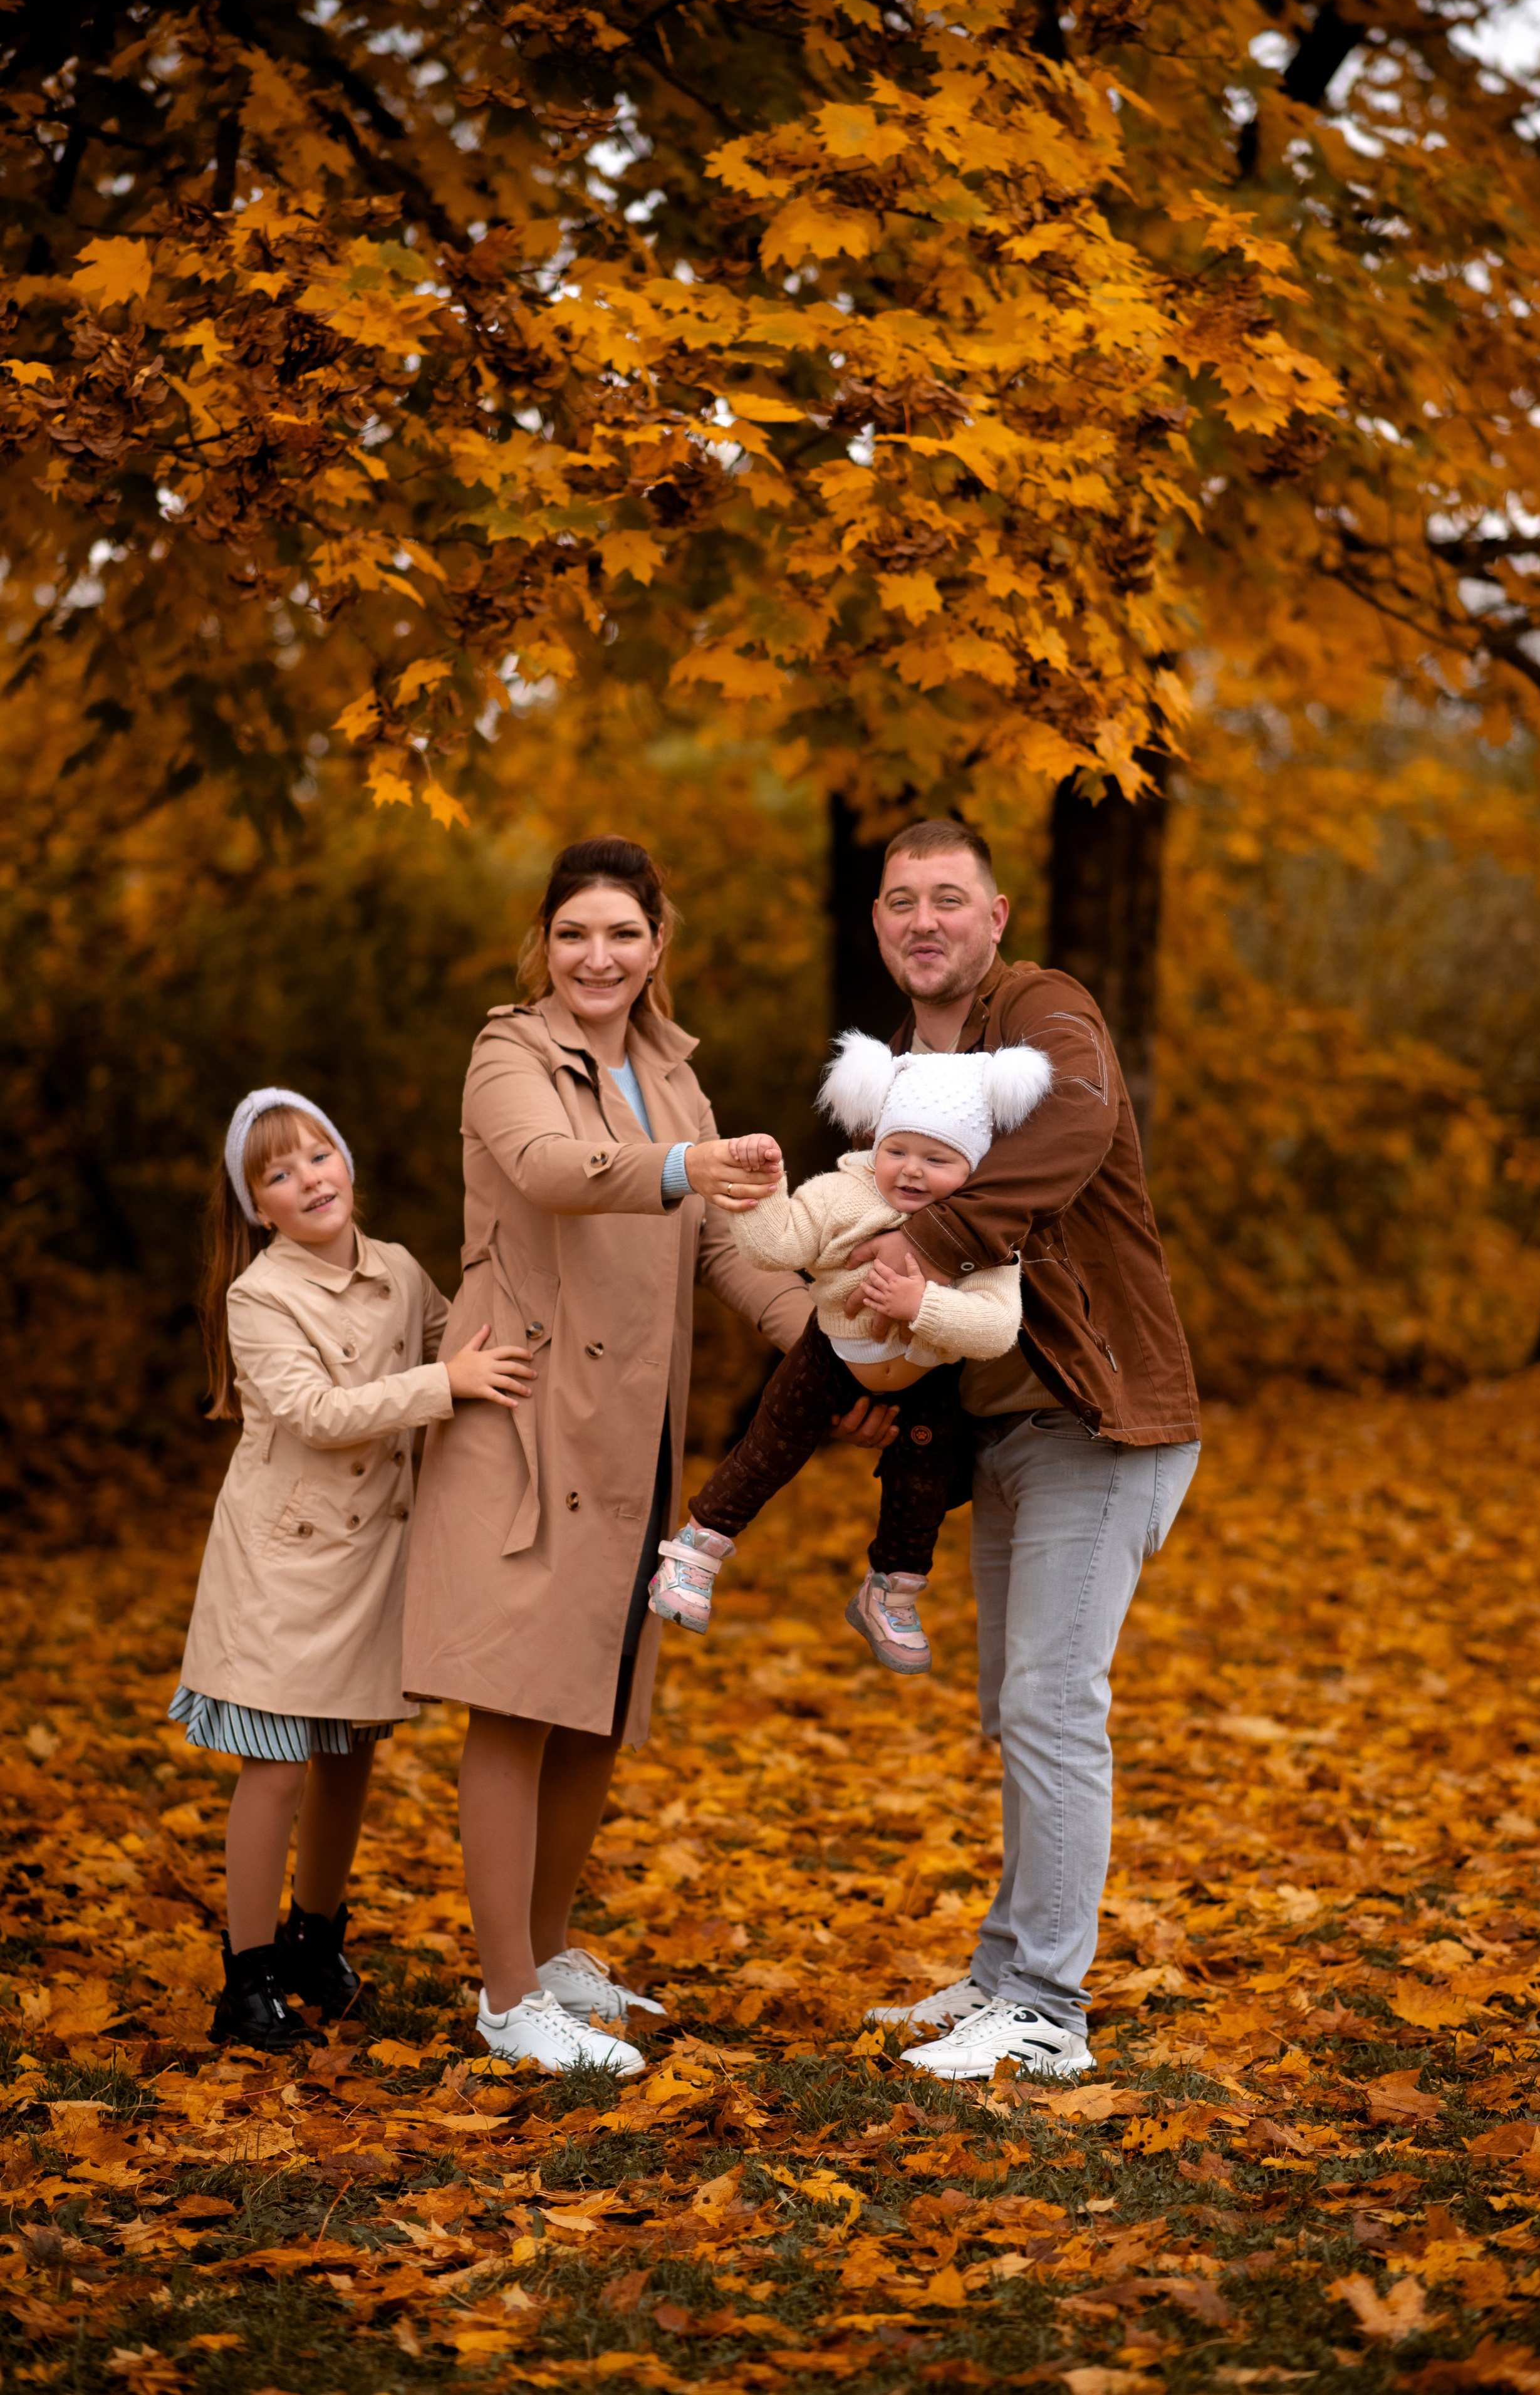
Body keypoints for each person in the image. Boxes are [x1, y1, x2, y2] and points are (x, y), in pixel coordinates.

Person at [403, 835, 833, 2072]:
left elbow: (724, 1251)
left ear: (658, 946)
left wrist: (825, 1353)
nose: (598, 957)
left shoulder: (670, 1073)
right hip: (525, 1407)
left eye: (623, 935)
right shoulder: (508, 1053)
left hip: (632, 1424)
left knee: (595, 1695)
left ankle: (543, 1957)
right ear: (541, 942)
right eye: (574, 933)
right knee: (517, 1694)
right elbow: (549, 1170)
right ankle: (502, 1997)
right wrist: (690, 1165)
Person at [853, 819, 1202, 2081]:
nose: (923, 921)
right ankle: (1003, 1972)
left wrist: (927, 1252)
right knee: (1018, 1711)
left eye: (948, 899)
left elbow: (1075, 1131)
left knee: (1053, 1706)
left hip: (1098, 1418)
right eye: (900, 902)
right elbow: (872, 1249)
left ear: (994, 916)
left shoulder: (1042, 1009)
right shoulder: (900, 1066)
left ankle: (1048, 2011)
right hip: (996, 1426)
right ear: (878, 923)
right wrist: (867, 1376)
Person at [175, 1088, 534, 2052]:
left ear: (348, 1159)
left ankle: (313, 1940)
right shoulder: (260, 1296)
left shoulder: (402, 1270)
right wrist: (443, 1384)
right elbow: (315, 1412)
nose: (308, 1179)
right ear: (260, 1208)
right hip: (285, 1562)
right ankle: (246, 1979)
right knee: (279, 1762)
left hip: (376, 1556)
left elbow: (464, 1344)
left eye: (318, 1154)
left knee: (348, 1752)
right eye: (277, 1174)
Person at [648, 1031, 1053, 1675]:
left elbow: (997, 1329)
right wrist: (763, 1193)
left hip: (926, 1376)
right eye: (897, 1150)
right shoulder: (843, 1197)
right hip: (830, 1354)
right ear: (875, 1145)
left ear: (974, 1168)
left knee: (920, 1486)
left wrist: (922, 1307)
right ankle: (695, 1552)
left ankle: (889, 1592)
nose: (912, 1170)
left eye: (938, 1158)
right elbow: (777, 1248)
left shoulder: (979, 1235)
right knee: (768, 1450)